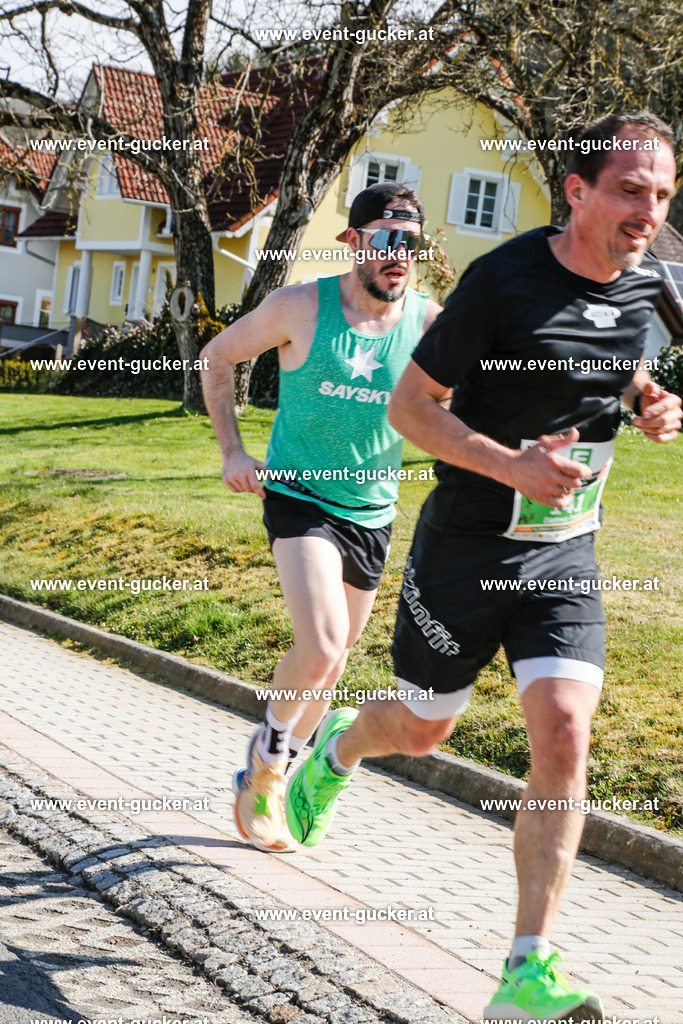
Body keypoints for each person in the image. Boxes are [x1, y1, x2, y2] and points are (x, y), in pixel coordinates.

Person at [286, 112, 681, 1022]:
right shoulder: (500, 282)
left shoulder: (647, 285)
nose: (647, 211)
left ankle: (524, 971)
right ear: (574, 191)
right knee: (424, 729)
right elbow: (410, 409)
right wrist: (509, 466)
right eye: (628, 190)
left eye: (661, 195)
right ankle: (340, 746)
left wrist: (651, 401)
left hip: (564, 551)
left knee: (565, 735)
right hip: (464, 547)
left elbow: (616, 370)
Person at [200, 182, 442, 853]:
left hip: (372, 511)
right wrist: (232, 450)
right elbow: (217, 357)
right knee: (323, 646)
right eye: (387, 239)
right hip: (300, 497)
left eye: (411, 243)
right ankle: (269, 769)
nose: (400, 255)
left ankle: (284, 754)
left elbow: (471, 399)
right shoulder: (299, 306)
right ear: (354, 242)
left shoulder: (428, 324)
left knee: (330, 667)